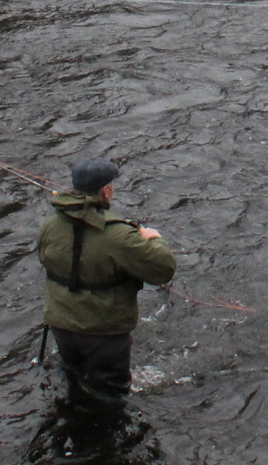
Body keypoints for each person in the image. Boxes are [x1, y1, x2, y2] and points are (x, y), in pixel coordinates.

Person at [36, 157, 175, 399]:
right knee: (111, 397)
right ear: (105, 190)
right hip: (103, 335)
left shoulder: (50, 225)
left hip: (62, 326)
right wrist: (154, 238)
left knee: (74, 380)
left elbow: (45, 257)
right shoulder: (118, 235)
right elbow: (163, 270)